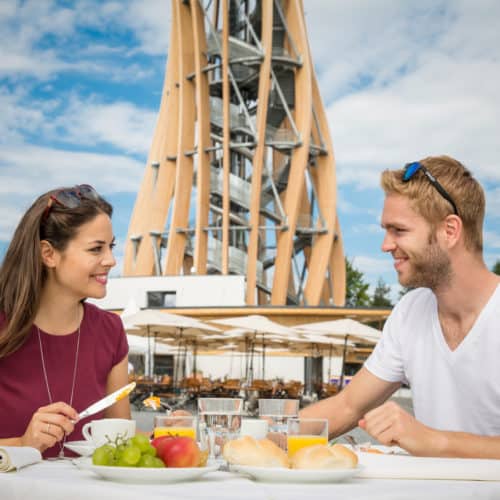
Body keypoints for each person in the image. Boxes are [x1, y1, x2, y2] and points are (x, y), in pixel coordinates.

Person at [301, 155, 500, 459]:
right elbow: (348, 406)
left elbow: (430, 442)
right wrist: (258, 436)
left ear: (450, 231)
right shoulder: (410, 311)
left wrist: (434, 442)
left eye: (399, 230)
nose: (385, 245)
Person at [0, 185, 130, 459]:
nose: (111, 261)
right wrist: (23, 444)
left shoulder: (111, 331)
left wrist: (166, 436)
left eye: (111, 247)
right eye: (96, 249)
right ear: (48, 254)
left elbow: (121, 441)